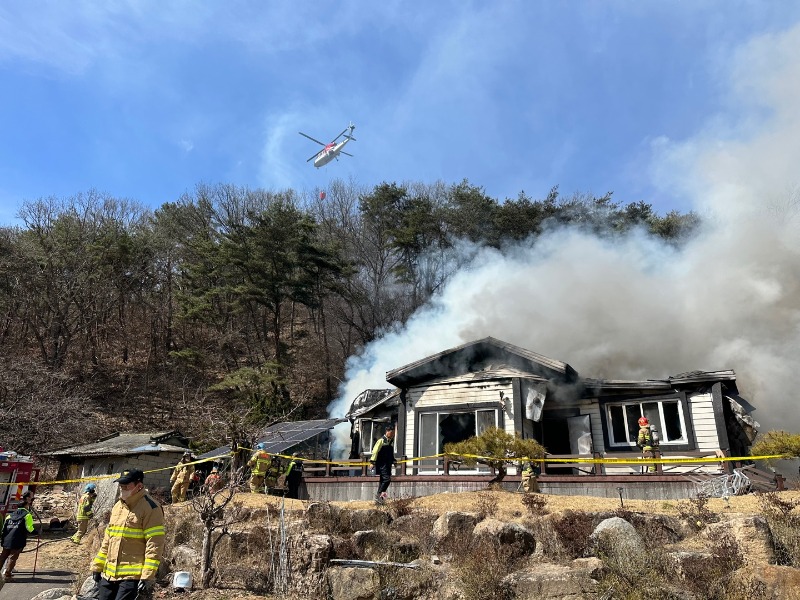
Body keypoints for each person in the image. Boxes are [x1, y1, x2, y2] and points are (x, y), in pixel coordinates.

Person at [91, 468, 165, 600]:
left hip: (131, 577)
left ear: (139, 486)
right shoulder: (117, 507)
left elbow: (154, 544)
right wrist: (97, 566)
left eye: (126, 486)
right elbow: (108, 541)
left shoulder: (151, 508)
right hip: (109, 574)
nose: (122, 488)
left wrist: (147, 576)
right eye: (121, 485)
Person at [1, 491, 35, 581]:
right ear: (26, 506)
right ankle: (7, 575)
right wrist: (36, 532)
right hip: (18, 539)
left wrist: (3, 539)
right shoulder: (27, 515)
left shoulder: (9, 516)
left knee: (3, 556)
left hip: (7, 539)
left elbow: (4, 528)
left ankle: (4, 573)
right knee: (12, 557)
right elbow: (30, 528)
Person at [370, 427, 397, 505]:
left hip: (388, 463)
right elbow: (375, 451)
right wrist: (372, 462)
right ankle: (379, 496)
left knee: (382, 481)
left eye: (393, 433)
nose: (392, 435)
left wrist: (393, 460)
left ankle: (380, 500)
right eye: (391, 433)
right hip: (382, 464)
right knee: (387, 479)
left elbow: (391, 453)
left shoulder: (391, 441)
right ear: (387, 432)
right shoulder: (381, 441)